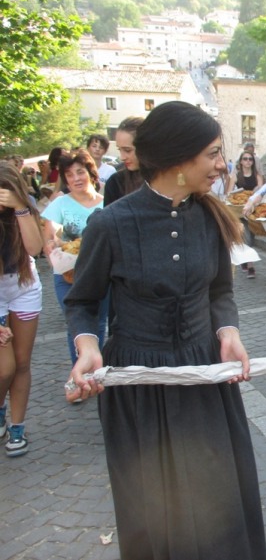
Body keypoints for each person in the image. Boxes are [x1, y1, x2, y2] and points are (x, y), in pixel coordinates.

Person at [63, 101, 266, 560]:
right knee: (157, 511)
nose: (221, 164)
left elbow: (219, 291)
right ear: (179, 158)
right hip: (140, 384)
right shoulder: (111, 223)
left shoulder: (213, 216)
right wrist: (88, 346)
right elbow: (82, 301)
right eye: (213, 153)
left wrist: (228, 333)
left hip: (203, 379)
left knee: (219, 500)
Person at [41, 149, 108, 365]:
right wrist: (54, 243)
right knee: (77, 325)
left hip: (100, 274)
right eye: (69, 175)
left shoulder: (107, 203)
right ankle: (81, 372)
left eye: (80, 172)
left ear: (90, 172)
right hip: (67, 275)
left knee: (98, 324)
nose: (76, 178)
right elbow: (51, 236)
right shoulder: (60, 204)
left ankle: (97, 369)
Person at [0, 162, 44, 457]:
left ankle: (17, 425)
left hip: (24, 287)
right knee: (5, 368)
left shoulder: (21, 210)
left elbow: (35, 249)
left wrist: (20, 208)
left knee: (22, 363)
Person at [232, 149, 264, 278]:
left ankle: (245, 260)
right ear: (241, 161)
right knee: (245, 236)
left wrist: (257, 190)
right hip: (238, 211)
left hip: (252, 210)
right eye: (245, 159)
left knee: (250, 236)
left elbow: (261, 190)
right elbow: (229, 193)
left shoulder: (257, 175)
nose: (248, 161)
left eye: (250, 159)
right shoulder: (236, 176)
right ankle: (250, 266)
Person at [104, 117, 144, 206]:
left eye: (127, 150)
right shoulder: (115, 183)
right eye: (119, 149)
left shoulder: (166, 179)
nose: (122, 157)